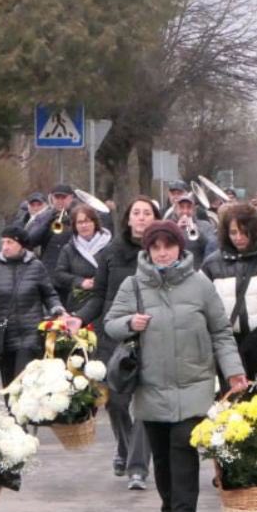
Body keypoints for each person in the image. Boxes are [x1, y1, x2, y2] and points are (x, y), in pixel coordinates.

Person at [104, 220, 246, 512]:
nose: (163, 253)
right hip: (151, 383)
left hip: (194, 380)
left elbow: (221, 332)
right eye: (156, 247)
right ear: (148, 250)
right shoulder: (133, 285)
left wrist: (233, 370)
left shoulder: (200, 284)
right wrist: (130, 323)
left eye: (168, 246)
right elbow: (111, 324)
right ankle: (168, 511)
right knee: (161, 452)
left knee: (183, 444)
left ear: (180, 248)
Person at [96, 196, 159, 488]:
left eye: (147, 213)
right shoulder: (110, 253)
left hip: (152, 336)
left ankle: (137, 468)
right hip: (116, 336)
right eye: (137, 212)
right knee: (116, 402)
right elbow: (98, 296)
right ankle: (124, 447)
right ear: (128, 219)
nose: (142, 217)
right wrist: (77, 318)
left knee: (144, 405)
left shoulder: (163, 252)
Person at [203, 201, 257, 381]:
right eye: (233, 232)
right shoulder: (211, 264)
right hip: (229, 346)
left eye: (244, 232)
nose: (239, 237)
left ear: (255, 230)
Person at [0, 225, 65, 390]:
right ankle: (10, 407)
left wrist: (57, 309)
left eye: (10, 242)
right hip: (4, 335)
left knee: (23, 382)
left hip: (31, 334)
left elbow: (49, 294)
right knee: (8, 385)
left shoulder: (36, 266)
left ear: (21, 245)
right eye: (3, 242)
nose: (5, 247)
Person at [54, 201, 112, 326]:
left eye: (87, 221)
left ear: (95, 223)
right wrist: (80, 282)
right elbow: (59, 274)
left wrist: (101, 281)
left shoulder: (110, 246)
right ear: (74, 226)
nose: (84, 225)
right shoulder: (69, 249)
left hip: (105, 304)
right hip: (78, 303)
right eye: (80, 222)